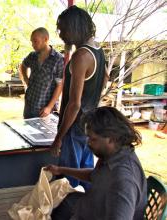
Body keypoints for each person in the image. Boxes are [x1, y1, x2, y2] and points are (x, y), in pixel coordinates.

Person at [46, 106, 147, 220]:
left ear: (111, 138)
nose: (88, 143)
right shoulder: (114, 154)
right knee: (57, 202)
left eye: (93, 139)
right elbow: (94, 175)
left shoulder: (123, 181)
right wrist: (60, 170)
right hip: (92, 206)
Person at [51, 6, 109, 189]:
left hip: (75, 126)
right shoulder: (99, 51)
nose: (61, 34)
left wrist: (59, 137)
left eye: (63, 29)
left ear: (74, 27)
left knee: (67, 180)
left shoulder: (81, 56)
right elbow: (105, 79)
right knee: (86, 174)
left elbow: (74, 104)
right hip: (89, 124)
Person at [19, 27, 64, 119]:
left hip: (44, 109)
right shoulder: (32, 56)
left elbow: (60, 85)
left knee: (43, 133)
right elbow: (23, 66)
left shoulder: (58, 59)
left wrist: (49, 107)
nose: (33, 45)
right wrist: (26, 79)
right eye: (32, 42)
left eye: (35, 41)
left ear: (46, 39)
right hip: (29, 104)